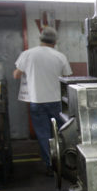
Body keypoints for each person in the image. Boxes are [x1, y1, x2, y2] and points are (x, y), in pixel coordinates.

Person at [13, 26, 72, 175]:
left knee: (43, 134)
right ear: (55, 41)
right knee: (62, 132)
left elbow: (16, 75)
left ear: (40, 39)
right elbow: (67, 77)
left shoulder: (28, 54)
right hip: (56, 101)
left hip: (37, 101)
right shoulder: (60, 56)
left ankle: (51, 165)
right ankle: (67, 162)